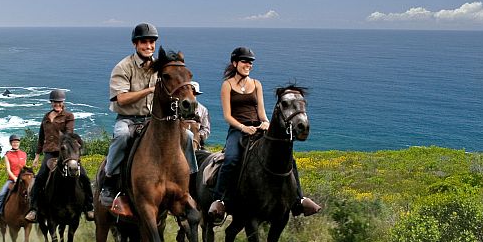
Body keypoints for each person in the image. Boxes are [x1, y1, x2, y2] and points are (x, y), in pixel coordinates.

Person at [207, 47, 321, 224]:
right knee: (231, 159)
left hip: (258, 127)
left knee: (289, 159)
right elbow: (227, 116)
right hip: (237, 130)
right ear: (235, 63)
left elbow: (260, 111)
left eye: (250, 62)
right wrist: (244, 128)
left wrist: (266, 123)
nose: (248, 65)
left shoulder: (257, 84)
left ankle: (299, 200)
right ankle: (219, 201)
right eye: (245, 61)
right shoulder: (227, 85)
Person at [101, 22, 198, 207]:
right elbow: (121, 99)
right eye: (144, 42)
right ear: (135, 44)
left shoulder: (162, 67)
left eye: (152, 42)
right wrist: (149, 90)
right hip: (128, 119)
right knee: (121, 136)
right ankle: (109, 180)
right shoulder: (123, 67)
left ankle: (191, 179)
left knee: (188, 135)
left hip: (153, 120)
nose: (148, 46)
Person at [25, 89, 94, 222]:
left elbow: (68, 134)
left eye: (59, 102)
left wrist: (63, 144)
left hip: (66, 152)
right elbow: (41, 137)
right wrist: (37, 156)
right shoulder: (46, 117)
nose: (57, 104)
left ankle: (89, 207)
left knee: (84, 177)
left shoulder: (68, 116)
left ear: (63, 102)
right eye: (55, 102)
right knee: (39, 178)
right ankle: (34, 209)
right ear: (51, 102)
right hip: (50, 153)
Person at [0, 134, 27, 223]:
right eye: (14, 142)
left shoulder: (23, 154)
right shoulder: (7, 155)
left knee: (33, 191)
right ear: (11, 143)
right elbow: (8, 170)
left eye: (17, 142)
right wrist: (14, 178)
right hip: (12, 180)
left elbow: (24, 167)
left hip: (23, 179)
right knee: (1, 194)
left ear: (19, 143)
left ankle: (35, 213)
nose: (15, 144)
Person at [190, 82, 211, 148]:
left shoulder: (203, 110)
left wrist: (197, 135)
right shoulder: (177, 106)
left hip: (195, 141)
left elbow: (206, 129)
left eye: (193, 92)